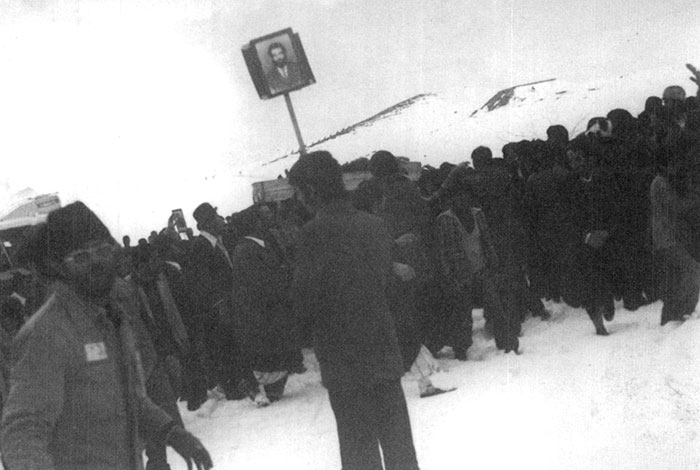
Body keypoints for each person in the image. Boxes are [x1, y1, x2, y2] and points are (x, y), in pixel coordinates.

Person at [0, 201, 212, 470]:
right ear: (59, 267)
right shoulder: (48, 332)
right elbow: (23, 429)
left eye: (102, 250)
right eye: (81, 257)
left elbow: (128, 399)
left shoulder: (111, 319)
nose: (96, 262)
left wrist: (172, 433)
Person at [289, 151, 421, 470]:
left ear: (311, 190)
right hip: (384, 354)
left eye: (298, 191)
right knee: (400, 450)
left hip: (343, 365)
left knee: (359, 454)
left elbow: (304, 303)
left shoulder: (311, 235)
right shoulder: (374, 225)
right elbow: (389, 289)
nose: (298, 199)